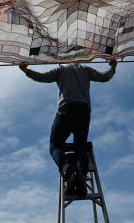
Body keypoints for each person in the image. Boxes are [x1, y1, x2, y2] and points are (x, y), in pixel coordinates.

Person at [19, 59, 117, 196]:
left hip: (66, 109)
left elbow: (42, 77)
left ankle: (67, 170)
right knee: (80, 147)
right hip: (84, 111)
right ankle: (82, 179)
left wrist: (25, 70)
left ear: (61, 62)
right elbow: (104, 77)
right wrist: (112, 67)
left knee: (56, 145)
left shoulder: (61, 70)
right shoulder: (85, 69)